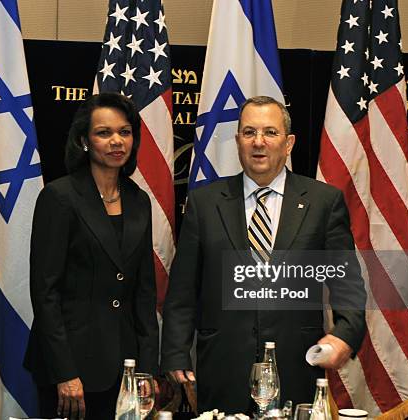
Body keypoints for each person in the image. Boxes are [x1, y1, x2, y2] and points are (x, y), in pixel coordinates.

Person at [161, 96, 367, 413]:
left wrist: (345, 334)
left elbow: (348, 285)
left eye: (270, 133)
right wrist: (175, 353)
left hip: (296, 365)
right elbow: (183, 290)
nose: (259, 142)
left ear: (288, 143)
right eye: (249, 132)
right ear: (238, 140)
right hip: (223, 365)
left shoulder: (323, 202)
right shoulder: (204, 203)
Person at [24, 92, 159, 419]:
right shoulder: (59, 197)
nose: (117, 141)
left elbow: (144, 292)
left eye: (125, 132)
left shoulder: (138, 199)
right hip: (71, 371)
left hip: (125, 369)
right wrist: (64, 373)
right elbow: (46, 294)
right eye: (104, 133)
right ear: (84, 140)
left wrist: (147, 368)